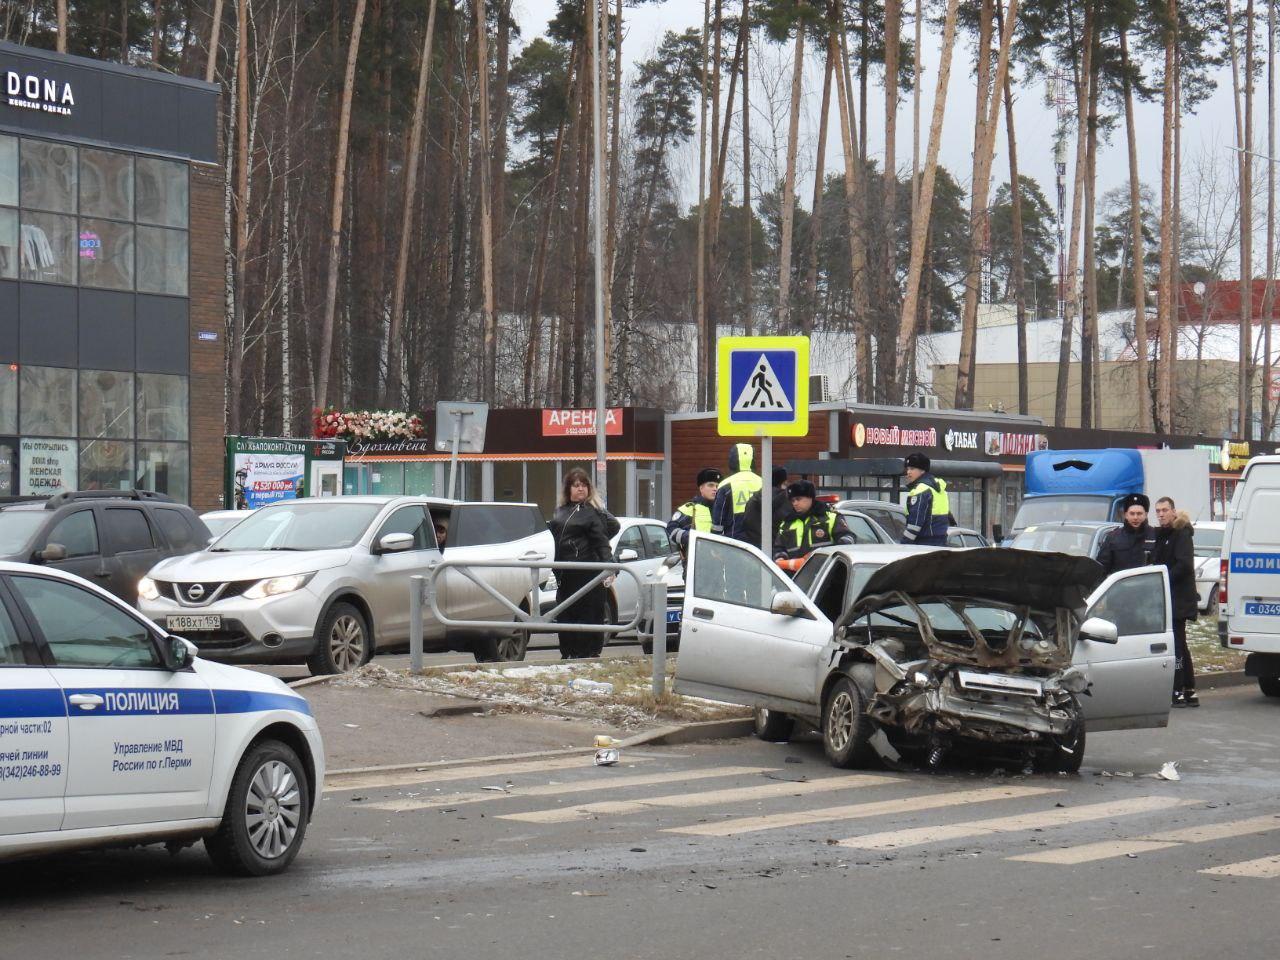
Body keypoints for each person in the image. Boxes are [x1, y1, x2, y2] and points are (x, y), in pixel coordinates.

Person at [549, 468, 617, 659]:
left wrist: (609, 566)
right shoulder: (560, 511)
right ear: (568, 489)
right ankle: (568, 653)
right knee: (565, 613)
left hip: (587, 572)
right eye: (576, 485)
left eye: (584, 485)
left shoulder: (592, 513)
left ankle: (588, 654)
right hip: (565, 573)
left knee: (589, 614)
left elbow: (602, 541)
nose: (580, 489)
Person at [1152, 496, 1200, 707]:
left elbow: (1183, 565)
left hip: (1178, 598)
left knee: (1177, 645)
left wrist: (1162, 581)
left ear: (1173, 511)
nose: (1161, 514)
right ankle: (1189, 689)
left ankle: (1178, 690)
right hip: (1170, 598)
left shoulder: (1181, 534)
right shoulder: (1163, 535)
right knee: (1181, 643)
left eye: (1165, 510)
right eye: (1158, 511)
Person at [773, 480, 855, 560]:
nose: (795, 503)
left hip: (825, 571)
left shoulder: (829, 518)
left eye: (798, 499)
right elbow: (779, 548)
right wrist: (780, 557)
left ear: (810, 497)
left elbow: (847, 538)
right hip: (794, 573)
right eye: (792, 500)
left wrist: (842, 545)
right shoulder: (787, 523)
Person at [711, 443, 763, 542]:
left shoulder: (725, 485)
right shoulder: (763, 483)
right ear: (752, 460)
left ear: (732, 461)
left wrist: (714, 544)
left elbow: (718, 521)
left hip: (734, 545)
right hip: (760, 545)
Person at [1096, 493, 1157, 574]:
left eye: (1139, 513)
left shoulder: (1155, 535)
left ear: (1145, 515)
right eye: (1132, 513)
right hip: (1121, 585)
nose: (1135, 517)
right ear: (1125, 515)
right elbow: (1102, 567)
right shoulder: (1113, 537)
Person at [667, 467, 721, 554]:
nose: (715, 489)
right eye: (710, 485)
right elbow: (671, 529)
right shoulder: (689, 509)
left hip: (719, 561)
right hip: (695, 562)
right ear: (701, 488)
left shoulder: (723, 509)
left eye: (717, 486)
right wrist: (691, 538)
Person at [901, 453, 950, 546]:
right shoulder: (937, 489)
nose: (908, 472)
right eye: (907, 469)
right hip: (941, 540)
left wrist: (904, 544)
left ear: (922, 471)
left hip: (924, 543)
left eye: (912, 469)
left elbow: (915, 523)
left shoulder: (921, 490)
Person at [741, 466, 789, 548]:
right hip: (779, 552)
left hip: (755, 552)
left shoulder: (753, 500)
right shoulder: (788, 501)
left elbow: (746, 525)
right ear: (783, 483)